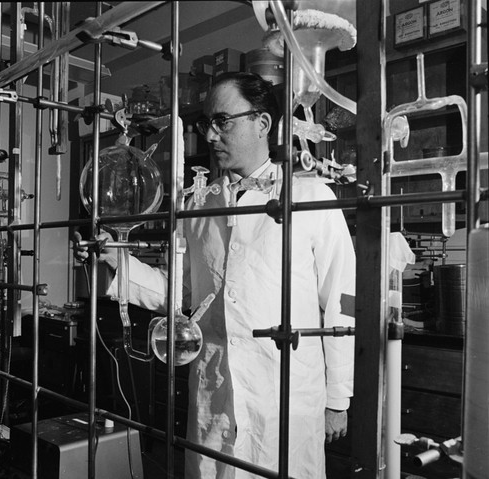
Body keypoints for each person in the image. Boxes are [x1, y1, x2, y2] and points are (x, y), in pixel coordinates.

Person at [74, 72, 355, 479]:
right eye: (207, 124)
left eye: (223, 122)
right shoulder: (196, 206)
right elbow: (180, 293)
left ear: (263, 123)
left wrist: (337, 398)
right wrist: (115, 259)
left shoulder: (310, 196)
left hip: (286, 393)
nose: (210, 135)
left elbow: (341, 299)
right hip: (213, 387)